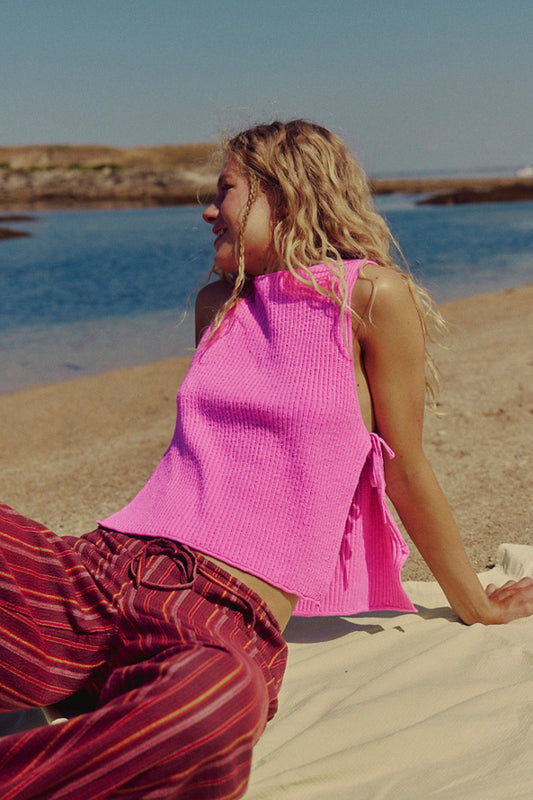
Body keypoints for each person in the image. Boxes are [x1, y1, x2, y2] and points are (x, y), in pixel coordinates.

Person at [1, 119, 532, 799]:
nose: (207, 211)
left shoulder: (371, 296)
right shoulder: (218, 303)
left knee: (212, 710)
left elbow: (404, 468)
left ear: (285, 192)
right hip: (98, 572)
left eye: (224, 190)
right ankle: (92, 682)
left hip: (219, 618)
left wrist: (475, 606)